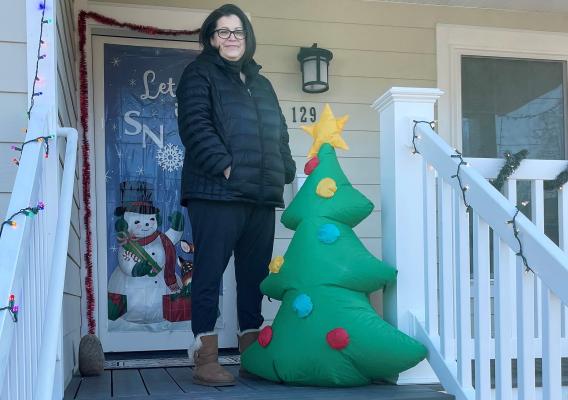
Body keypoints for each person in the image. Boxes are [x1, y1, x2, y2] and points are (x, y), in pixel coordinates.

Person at [176, 3, 296, 387]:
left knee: (254, 276)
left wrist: (286, 167)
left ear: (248, 37)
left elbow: (279, 131)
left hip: (261, 196)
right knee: (209, 273)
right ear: (211, 38)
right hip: (216, 192)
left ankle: (251, 352)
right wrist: (227, 166)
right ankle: (205, 355)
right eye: (223, 32)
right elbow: (195, 126)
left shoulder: (261, 83)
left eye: (238, 32)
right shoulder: (199, 74)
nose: (232, 39)